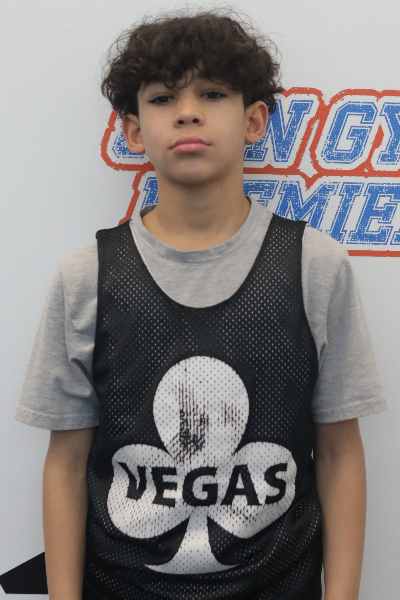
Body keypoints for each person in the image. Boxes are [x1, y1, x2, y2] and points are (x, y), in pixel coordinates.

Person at [15, 9, 387, 600]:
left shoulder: (315, 267)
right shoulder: (86, 276)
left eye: (212, 93)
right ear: (134, 131)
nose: (187, 111)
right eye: (163, 98)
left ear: (253, 120)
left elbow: (340, 453)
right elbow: (65, 464)